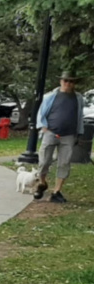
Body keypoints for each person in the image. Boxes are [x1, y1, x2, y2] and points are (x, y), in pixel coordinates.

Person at [34, 71, 85, 203]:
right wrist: (43, 127)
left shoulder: (78, 98)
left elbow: (79, 116)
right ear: (61, 81)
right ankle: (42, 183)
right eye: (66, 81)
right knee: (44, 160)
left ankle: (57, 191)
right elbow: (41, 113)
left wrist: (79, 133)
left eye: (71, 81)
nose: (68, 83)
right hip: (51, 132)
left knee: (64, 163)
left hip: (69, 135)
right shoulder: (51, 96)